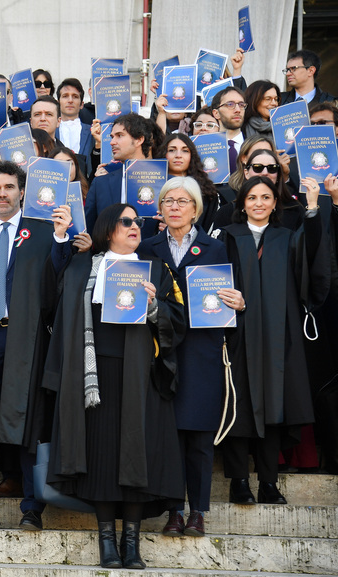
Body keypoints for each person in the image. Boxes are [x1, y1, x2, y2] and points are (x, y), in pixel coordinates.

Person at [43, 202, 185, 569]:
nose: (134, 226)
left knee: (136, 454)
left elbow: (179, 320)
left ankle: (131, 542)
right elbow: (53, 303)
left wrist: (155, 307)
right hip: (95, 376)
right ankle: (107, 541)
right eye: (125, 221)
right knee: (101, 456)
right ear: (108, 230)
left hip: (141, 375)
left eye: (137, 221)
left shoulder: (156, 268)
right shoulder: (82, 267)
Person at [0, 161, 77, 532]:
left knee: (29, 419)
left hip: (28, 338)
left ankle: (32, 509)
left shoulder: (44, 234)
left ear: (22, 192)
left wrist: (62, 239)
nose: (3, 194)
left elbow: (58, 283)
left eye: (9, 187)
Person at [214, 175, 330, 506]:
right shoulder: (226, 238)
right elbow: (209, 284)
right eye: (252, 198)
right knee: (237, 406)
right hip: (236, 336)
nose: (259, 203)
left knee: (273, 408)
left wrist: (311, 209)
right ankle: (238, 481)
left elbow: (313, 263)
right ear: (242, 203)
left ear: (275, 203)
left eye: (266, 197)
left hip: (279, 339)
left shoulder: (287, 238)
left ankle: (268, 482)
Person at [139, 177, 240, 538]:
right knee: (168, 435)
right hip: (161, 351)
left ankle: (197, 511)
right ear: (161, 208)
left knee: (198, 435)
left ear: (196, 209)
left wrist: (240, 303)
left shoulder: (217, 247)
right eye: (168, 200)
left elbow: (236, 295)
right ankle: (173, 510)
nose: (175, 206)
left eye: (183, 201)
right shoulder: (146, 247)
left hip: (201, 351)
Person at [85, 113, 158, 238]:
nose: (112, 142)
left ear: (139, 140)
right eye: (112, 137)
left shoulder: (165, 181)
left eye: (119, 136)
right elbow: (89, 230)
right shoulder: (100, 184)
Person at [157, 133, 225, 230]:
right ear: (164, 153)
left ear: (191, 156)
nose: (178, 155)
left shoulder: (206, 192)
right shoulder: (151, 186)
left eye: (185, 151)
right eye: (172, 150)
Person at [57, 78, 94, 159]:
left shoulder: (93, 133)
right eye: (65, 96)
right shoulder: (51, 131)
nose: (70, 100)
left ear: (81, 104)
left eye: (75, 96)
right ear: (58, 103)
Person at [211, 87, 247, 167]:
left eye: (241, 105)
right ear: (216, 113)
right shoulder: (206, 149)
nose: (238, 110)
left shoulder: (254, 147)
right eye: (230, 104)